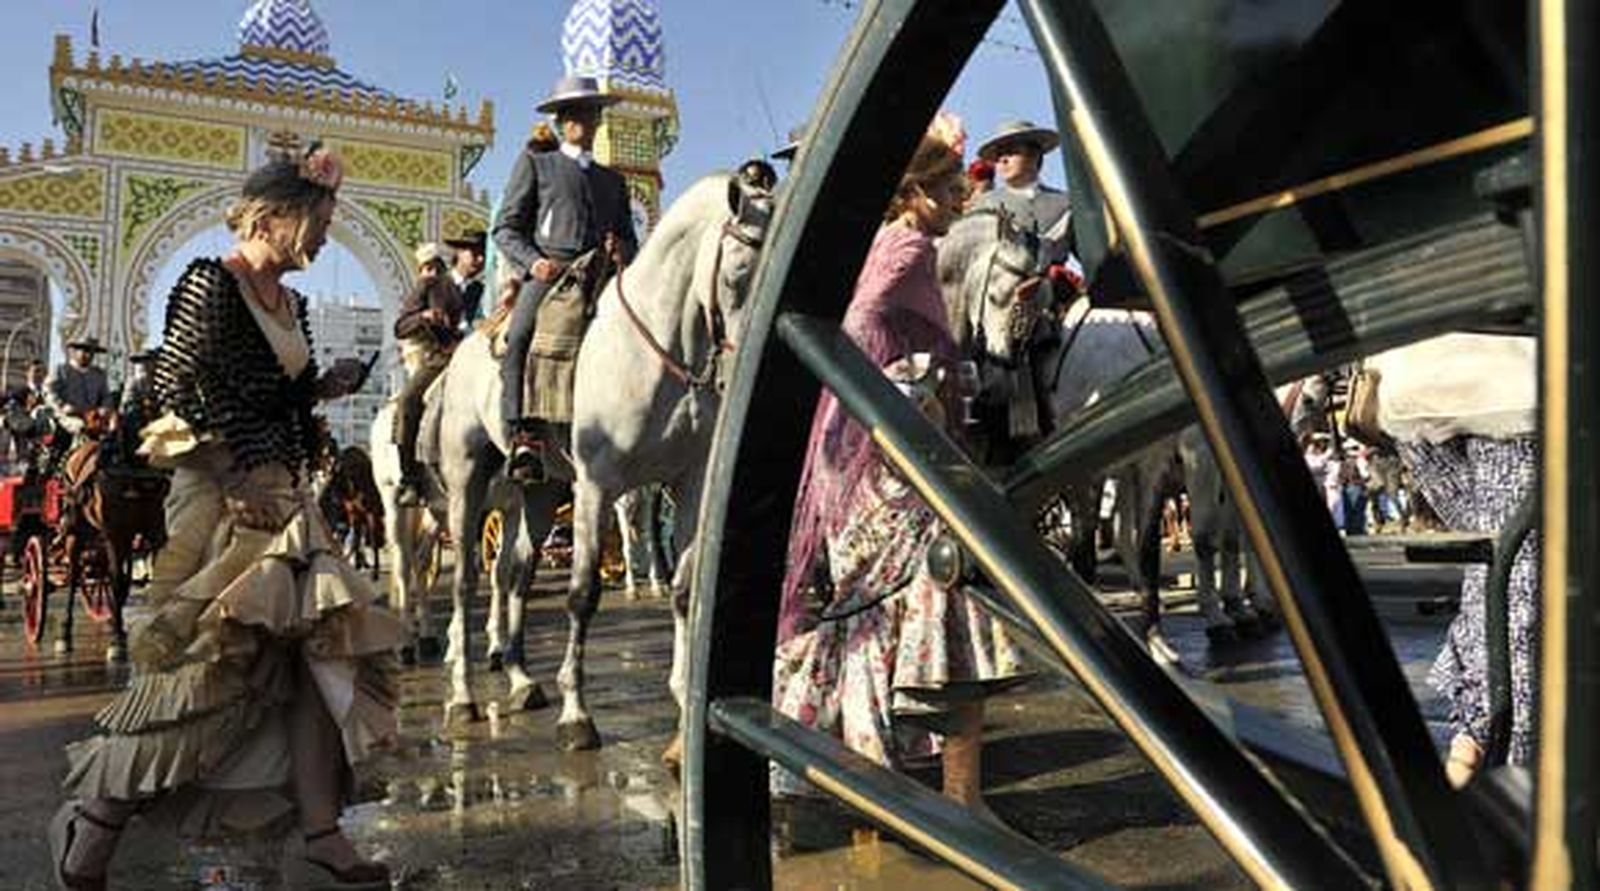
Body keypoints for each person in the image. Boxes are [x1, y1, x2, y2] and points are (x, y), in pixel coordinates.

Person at [48, 145, 405, 891]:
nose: (323, 237)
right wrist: (234, 471)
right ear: (274, 216)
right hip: (221, 493)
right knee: (210, 669)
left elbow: (278, 397)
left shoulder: (295, 304)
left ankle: (320, 835)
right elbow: (173, 390)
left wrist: (321, 389)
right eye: (319, 220)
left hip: (283, 495)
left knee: (321, 660)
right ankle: (97, 815)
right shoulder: (211, 284)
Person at [773, 112, 1026, 817]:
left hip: (852, 449)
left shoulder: (883, 240)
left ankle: (870, 773)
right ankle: (961, 796)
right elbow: (863, 325)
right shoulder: (907, 248)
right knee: (949, 593)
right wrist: (913, 400)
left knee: (866, 612)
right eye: (946, 184)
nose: (959, 198)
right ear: (913, 190)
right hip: (885, 456)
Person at [1367, 333, 1538, 786]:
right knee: (1515, 577)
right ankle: (1490, 752)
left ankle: (1472, 750)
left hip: (1418, 392)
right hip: (1512, 395)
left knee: (1498, 569)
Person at [493, 75, 638, 481]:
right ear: (560, 121)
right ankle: (522, 435)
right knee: (519, 335)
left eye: (591, 112)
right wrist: (532, 262)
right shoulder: (538, 164)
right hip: (552, 271)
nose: (584, 121)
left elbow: (630, 239)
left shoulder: (614, 180)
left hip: (601, 276)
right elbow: (506, 229)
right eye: (575, 113)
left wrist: (621, 251)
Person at [393, 242, 464, 506]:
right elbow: (400, 327)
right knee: (408, 401)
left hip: (471, 351)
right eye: (427, 267)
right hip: (438, 358)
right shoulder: (425, 288)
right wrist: (424, 316)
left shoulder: (473, 287)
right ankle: (409, 478)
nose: (431, 272)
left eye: (436, 267)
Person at [47, 336, 114, 435]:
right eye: (85, 351)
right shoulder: (61, 370)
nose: (88, 355)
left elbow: (106, 396)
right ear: (75, 352)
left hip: (92, 415)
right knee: (80, 427)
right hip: (66, 415)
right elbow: (50, 393)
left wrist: (104, 408)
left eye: (92, 352)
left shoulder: (99, 374)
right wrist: (62, 406)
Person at [444, 229, 488, 329]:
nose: (481, 259)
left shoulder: (481, 290)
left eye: (484, 255)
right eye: (475, 253)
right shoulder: (436, 284)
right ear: (460, 252)